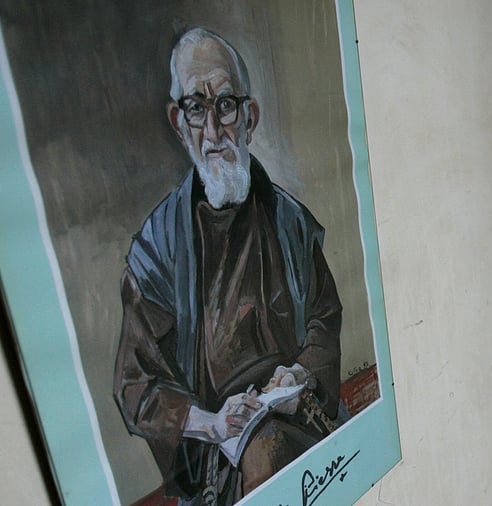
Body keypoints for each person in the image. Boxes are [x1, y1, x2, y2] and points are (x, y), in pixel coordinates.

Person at [113, 28, 343, 505]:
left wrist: (300, 374)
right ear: (179, 123)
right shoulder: (156, 251)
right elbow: (137, 388)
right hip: (217, 455)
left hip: (299, 414)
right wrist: (211, 424)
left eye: (226, 106)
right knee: (264, 455)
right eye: (197, 109)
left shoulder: (290, 222)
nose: (214, 132)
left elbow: (325, 317)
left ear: (250, 117)